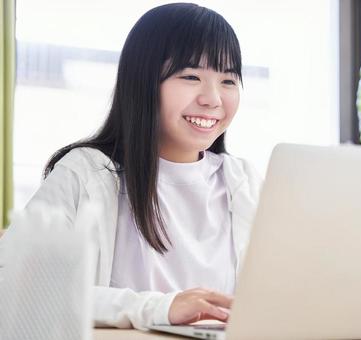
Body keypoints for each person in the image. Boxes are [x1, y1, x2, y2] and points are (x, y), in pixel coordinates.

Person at [0, 2, 263, 331]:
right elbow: (13, 285)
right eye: (191, 76)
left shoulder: (245, 182)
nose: (213, 98)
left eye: (228, 80)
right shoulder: (86, 173)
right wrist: (159, 307)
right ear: (143, 83)